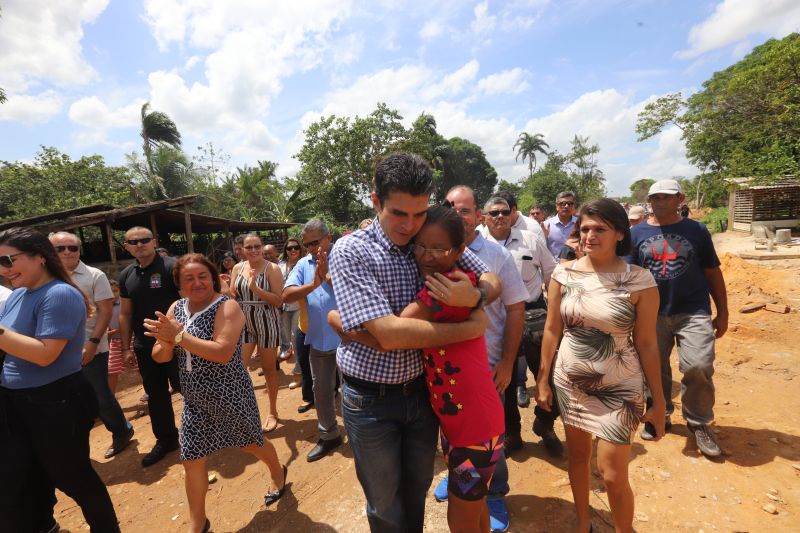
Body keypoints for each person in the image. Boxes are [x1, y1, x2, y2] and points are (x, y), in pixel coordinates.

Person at [328, 152, 502, 533]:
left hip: (424, 396)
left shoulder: (430, 241)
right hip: (371, 401)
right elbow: (391, 334)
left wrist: (475, 299)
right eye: (398, 213)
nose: (410, 226)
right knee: (384, 503)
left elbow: (491, 278)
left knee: (417, 490)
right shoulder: (352, 250)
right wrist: (470, 327)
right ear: (375, 201)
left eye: (419, 213)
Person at [536, 199, 666, 533]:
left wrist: (659, 398)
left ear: (620, 234)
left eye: (599, 229)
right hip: (572, 382)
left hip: (620, 385)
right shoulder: (563, 274)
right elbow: (552, 329)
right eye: (585, 229)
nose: (590, 235)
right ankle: (583, 523)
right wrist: (543, 380)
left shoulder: (640, 280)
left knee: (612, 474)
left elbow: (648, 344)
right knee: (577, 458)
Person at [144, 254, 287, 533]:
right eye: (189, 278)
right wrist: (165, 342)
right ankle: (198, 525)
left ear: (212, 278)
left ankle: (278, 472)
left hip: (229, 392)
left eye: (202, 276)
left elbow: (222, 353)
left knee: (250, 443)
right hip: (195, 397)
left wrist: (177, 337)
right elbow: (160, 356)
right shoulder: (177, 308)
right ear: (179, 284)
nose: (197, 282)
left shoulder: (228, 307)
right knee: (191, 459)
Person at [0, 227, 120, 533]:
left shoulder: (60, 294)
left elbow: (44, 355)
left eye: (9, 259)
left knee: (72, 477)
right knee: (25, 474)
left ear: (40, 257)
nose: (4, 269)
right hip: (17, 402)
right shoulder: (17, 297)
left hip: (56, 401)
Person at [439, 187, 530, 533]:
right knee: (453, 432)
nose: (456, 215)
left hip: (487, 367)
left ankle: (495, 494)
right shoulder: (436, 251)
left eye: (464, 210)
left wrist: (507, 363)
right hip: (446, 371)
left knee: (491, 439)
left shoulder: (494, 255)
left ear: (478, 216)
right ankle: (461, 483)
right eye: (450, 208)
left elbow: (515, 308)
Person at [628, 179, 728, 457]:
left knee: (698, 365)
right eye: (654, 197)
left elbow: (712, 272)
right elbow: (629, 276)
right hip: (651, 314)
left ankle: (699, 422)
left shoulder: (696, 230)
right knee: (654, 369)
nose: (659, 201)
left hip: (693, 310)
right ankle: (661, 414)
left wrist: (723, 312)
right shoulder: (637, 234)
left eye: (666, 196)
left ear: (680, 198)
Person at [482, 196, 561, 458]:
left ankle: (545, 425)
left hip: (534, 313)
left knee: (549, 374)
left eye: (505, 211)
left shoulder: (531, 239)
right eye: (494, 213)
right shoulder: (477, 246)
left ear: (513, 213)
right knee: (501, 378)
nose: (500, 217)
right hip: (497, 320)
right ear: (484, 217)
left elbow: (552, 274)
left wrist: (555, 312)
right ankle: (512, 433)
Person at [49, 231, 134, 459]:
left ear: (79, 250)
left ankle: (121, 430)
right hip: (55, 349)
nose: (67, 252)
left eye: (72, 247)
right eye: (60, 248)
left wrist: (94, 343)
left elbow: (106, 311)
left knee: (100, 394)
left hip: (90, 348)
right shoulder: (45, 276)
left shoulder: (94, 275)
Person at [118, 226, 182, 467]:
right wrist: (126, 347)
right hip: (145, 345)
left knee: (189, 388)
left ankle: (210, 432)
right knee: (156, 395)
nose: (140, 245)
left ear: (154, 242)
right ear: (126, 247)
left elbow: (187, 301)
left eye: (145, 240)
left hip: (178, 342)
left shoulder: (171, 267)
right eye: (133, 242)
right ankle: (166, 440)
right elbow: (125, 313)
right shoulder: (126, 275)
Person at [284, 220, 343, 462]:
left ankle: (363, 435)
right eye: (306, 244)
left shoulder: (345, 256)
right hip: (318, 339)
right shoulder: (302, 264)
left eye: (315, 242)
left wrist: (327, 275)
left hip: (348, 339)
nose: (310, 248)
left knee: (353, 391)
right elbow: (286, 295)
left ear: (328, 237)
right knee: (321, 391)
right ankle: (329, 435)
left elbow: (357, 291)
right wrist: (312, 284)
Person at [229, 233, 283, 432]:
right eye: (248, 247)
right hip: (243, 321)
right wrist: (225, 288)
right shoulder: (238, 267)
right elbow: (234, 294)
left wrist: (255, 287)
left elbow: (278, 300)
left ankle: (272, 412)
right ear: (241, 249)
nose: (253, 250)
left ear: (262, 248)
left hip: (266, 320)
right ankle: (245, 413)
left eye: (256, 246)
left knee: (269, 369)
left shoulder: (272, 269)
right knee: (239, 370)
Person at [107, 279, 138, 394]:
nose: (113, 294)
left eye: (115, 291)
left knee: (139, 367)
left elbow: (129, 317)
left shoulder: (124, 304)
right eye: (109, 292)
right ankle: (111, 397)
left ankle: (149, 390)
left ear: (120, 291)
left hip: (131, 339)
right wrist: (107, 332)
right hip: (115, 341)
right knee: (111, 370)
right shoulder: (104, 307)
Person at [278, 238, 303, 368]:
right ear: (285, 250)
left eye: (296, 247)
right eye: (289, 248)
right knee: (286, 336)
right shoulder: (280, 265)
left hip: (299, 305)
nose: (293, 250)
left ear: (300, 249)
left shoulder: (304, 263)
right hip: (284, 306)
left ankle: (299, 367)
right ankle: (289, 352)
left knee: (294, 336)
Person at [545, 191, 579, 258]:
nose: (566, 206)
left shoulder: (580, 223)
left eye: (570, 203)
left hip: (575, 266)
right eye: (563, 203)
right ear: (557, 206)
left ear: (574, 206)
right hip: (554, 267)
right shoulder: (547, 225)